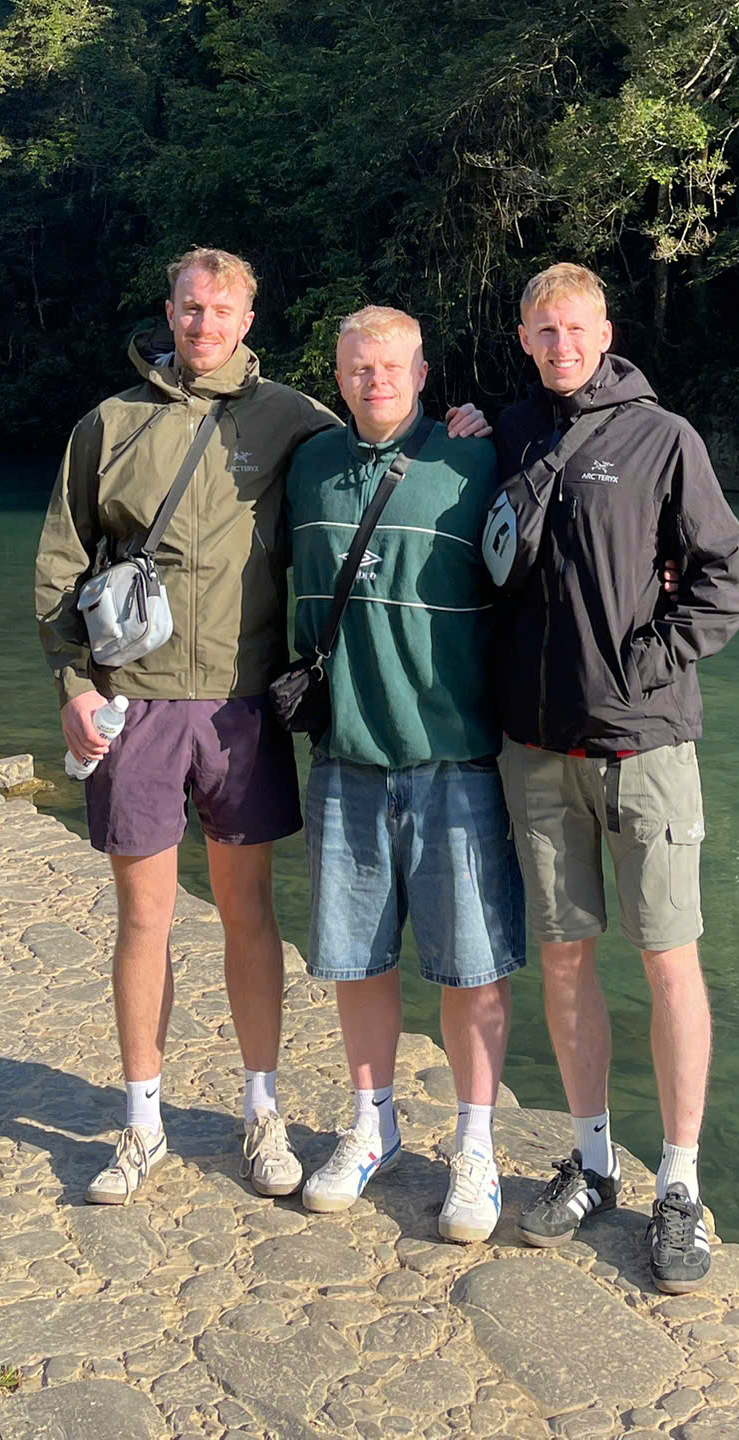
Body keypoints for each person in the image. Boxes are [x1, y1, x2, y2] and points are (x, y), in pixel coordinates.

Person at [34, 248, 485, 1210]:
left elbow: (379, 442)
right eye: (191, 308)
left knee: (250, 916)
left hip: (243, 708)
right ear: (169, 311)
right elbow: (59, 563)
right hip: (138, 700)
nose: (204, 324)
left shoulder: (291, 419)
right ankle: (141, 1120)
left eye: (223, 309)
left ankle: (261, 1111)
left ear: (248, 318)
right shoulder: (109, 423)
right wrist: (74, 684)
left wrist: (457, 431)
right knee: (144, 918)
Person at [490, 262, 739, 1293]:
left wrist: (636, 669)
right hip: (539, 753)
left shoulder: (664, 438)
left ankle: (679, 1183)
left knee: (669, 960)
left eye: (575, 327)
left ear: (606, 330)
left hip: (645, 750)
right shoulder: (507, 434)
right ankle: (592, 1159)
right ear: (523, 338)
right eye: (542, 329)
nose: (560, 343)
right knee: (562, 959)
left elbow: (722, 584)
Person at [287, 306, 521, 1244]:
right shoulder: (306, 465)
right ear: (336, 375)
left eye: (390, 365)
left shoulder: (475, 461)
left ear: (425, 372)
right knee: (359, 958)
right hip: (344, 754)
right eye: (356, 367)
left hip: (453, 756)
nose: (374, 379)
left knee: (471, 967)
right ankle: (371, 1123)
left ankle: (476, 1145)